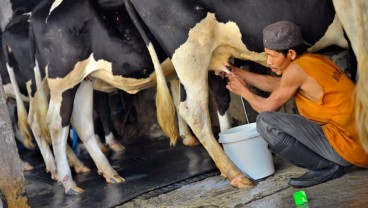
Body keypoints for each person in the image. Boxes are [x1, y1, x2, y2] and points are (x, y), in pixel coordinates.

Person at [224, 20, 368, 187]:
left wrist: (244, 92)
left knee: (265, 122)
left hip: (348, 149)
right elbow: (279, 85)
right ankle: (330, 163)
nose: (268, 62)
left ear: (291, 54)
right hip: (360, 144)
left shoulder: (296, 70)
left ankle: (326, 167)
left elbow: (267, 107)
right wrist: (236, 72)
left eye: (272, 56)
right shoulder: (313, 61)